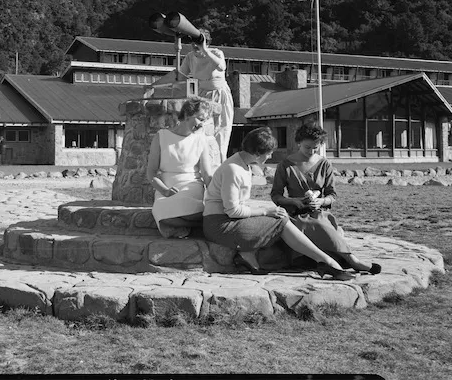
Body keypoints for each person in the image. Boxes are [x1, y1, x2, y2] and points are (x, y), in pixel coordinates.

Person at [203, 127, 355, 280]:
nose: (270, 156)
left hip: (228, 219)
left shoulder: (242, 164)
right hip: (220, 224)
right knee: (280, 221)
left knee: (280, 216)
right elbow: (233, 211)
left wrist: (268, 210)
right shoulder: (233, 169)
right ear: (257, 152)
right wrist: (266, 211)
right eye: (268, 153)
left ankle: (324, 260)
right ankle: (325, 261)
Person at [270, 122, 381, 274]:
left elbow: (332, 195)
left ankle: (344, 260)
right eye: (307, 147)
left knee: (320, 221)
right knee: (319, 224)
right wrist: (293, 201)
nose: (311, 151)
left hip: (319, 211)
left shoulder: (325, 164)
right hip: (296, 214)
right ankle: (353, 261)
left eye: (316, 147)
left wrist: (321, 201)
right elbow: (276, 195)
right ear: (298, 143)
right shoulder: (285, 165)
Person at [147, 97, 216, 238]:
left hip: (191, 186)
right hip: (166, 187)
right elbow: (151, 172)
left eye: (205, 121)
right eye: (200, 119)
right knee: (161, 211)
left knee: (187, 205)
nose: (202, 125)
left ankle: (189, 224)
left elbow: (207, 174)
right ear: (186, 115)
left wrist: (217, 195)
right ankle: (200, 225)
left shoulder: (200, 139)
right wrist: (165, 191)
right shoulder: (161, 136)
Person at [180, 28, 234, 161]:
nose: (194, 45)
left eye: (197, 41)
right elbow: (180, 76)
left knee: (221, 129)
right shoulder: (190, 57)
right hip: (202, 95)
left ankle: (220, 161)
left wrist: (205, 49)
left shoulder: (216, 53)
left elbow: (221, 66)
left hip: (220, 94)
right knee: (201, 128)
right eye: (192, 41)